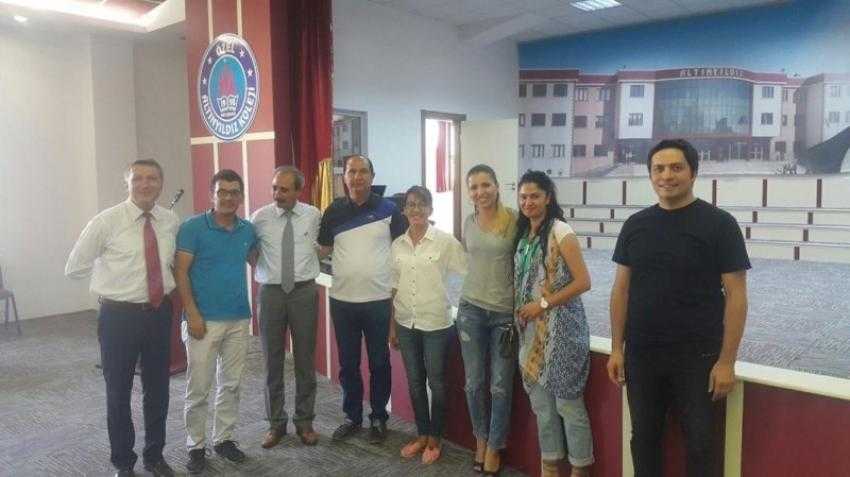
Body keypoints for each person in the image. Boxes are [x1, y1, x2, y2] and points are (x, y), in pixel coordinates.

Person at [606, 139, 750, 477]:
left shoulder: (720, 224)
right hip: (642, 354)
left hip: (697, 358)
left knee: (700, 444)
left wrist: (727, 361)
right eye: (658, 169)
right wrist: (616, 348)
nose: (666, 176)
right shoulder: (635, 225)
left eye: (676, 167)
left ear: (693, 173)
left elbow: (737, 296)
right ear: (650, 175)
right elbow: (621, 290)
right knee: (644, 439)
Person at [65, 159, 178, 477]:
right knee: (118, 392)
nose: (145, 184)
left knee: (158, 389)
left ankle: (155, 456)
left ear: (161, 183)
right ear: (126, 183)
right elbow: (74, 267)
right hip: (118, 318)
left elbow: (169, 263)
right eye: (138, 178)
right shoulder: (106, 221)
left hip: (158, 313)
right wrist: (111, 279)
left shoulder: (170, 220)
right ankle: (123, 463)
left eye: (152, 178)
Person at [318, 154, 406, 444]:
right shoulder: (333, 211)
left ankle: (379, 417)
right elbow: (322, 249)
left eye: (363, 172)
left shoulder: (390, 210)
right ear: (344, 177)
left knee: (379, 362)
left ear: (372, 176)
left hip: (379, 300)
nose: (357, 177)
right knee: (348, 364)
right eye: (351, 172)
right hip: (342, 301)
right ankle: (352, 417)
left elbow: (403, 253)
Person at [175, 169, 258, 474]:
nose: (228, 197)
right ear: (212, 194)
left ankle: (223, 439)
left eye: (234, 192)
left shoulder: (247, 230)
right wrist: (192, 314)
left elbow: (259, 260)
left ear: (241, 197)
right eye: (222, 191)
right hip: (203, 320)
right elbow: (180, 271)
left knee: (231, 384)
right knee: (199, 387)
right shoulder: (192, 227)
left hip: (238, 318)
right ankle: (195, 446)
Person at [513, 171, 593, 477]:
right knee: (542, 407)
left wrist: (543, 304)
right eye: (523, 197)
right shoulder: (525, 235)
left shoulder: (561, 230)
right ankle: (549, 465)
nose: (528, 202)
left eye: (535, 196)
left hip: (562, 332)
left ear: (548, 197)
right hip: (531, 334)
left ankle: (580, 469)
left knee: (567, 406)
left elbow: (583, 281)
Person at [388, 186, 467, 464]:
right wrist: (392, 327)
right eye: (411, 204)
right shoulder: (397, 245)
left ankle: (435, 437)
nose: (416, 209)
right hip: (405, 322)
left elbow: (467, 273)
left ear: (430, 209)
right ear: (404, 210)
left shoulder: (444, 242)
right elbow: (394, 288)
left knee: (437, 382)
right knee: (415, 382)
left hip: (436, 324)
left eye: (422, 204)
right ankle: (422, 434)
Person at [250, 166, 322, 448]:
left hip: (303, 292)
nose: (277, 194)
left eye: (284, 189)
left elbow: (323, 245)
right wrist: (266, 271)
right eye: (274, 188)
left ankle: (305, 421)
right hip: (271, 294)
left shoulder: (313, 215)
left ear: (298, 191)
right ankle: (276, 424)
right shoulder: (259, 217)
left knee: (305, 360)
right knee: (272, 360)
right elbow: (249, 252)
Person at [456, 164, 518, 475]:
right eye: (474, 187)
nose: (480, 192)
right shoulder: (468, 222)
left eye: (485, 185)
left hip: (504, 314)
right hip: (470, 310)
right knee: (473, 383)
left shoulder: (515, 220)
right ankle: (480, 439)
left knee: (500, 386)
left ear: (496, 186)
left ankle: (495, 445)